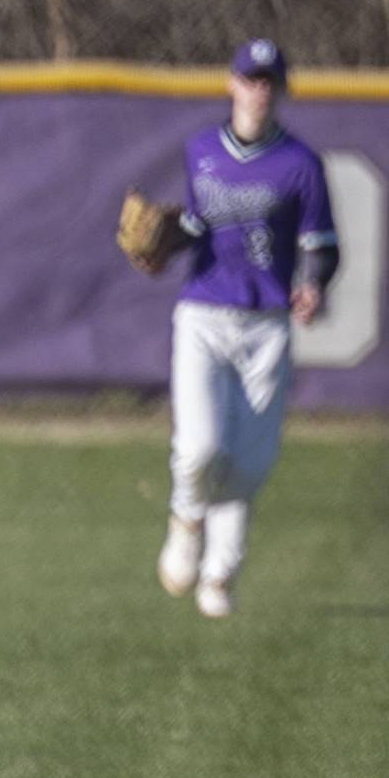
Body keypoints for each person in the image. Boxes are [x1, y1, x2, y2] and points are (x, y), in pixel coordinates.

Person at [154, 38, 339, 618]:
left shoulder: (301, 165)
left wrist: (313, 284)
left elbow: (321, 243)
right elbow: (195, 224)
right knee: (200, 448)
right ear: (231, 83)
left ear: (280, 91)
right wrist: (165, 243)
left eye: (269, 81)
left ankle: (221, 574)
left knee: (250, 463)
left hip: (267, 324)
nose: (259, 90)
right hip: (204, 314)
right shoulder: (201, 151)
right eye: (250, 79)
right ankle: (187, 519)